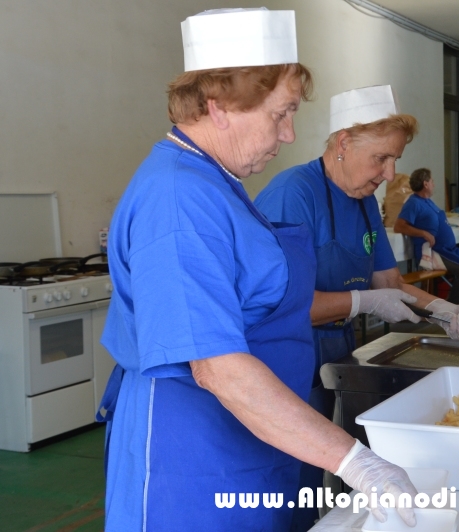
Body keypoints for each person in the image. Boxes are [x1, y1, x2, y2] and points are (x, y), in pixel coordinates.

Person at [98, 10, 418, 531]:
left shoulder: (217, 183)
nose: (289, 135)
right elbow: (217, 367)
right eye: (280, 114)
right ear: (219, 106)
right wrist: (356, 462)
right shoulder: (178, 197)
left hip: (252, 434)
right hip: (195, 453)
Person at [254, 85, 459, 530]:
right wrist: (362, 301)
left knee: (316, 478)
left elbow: (390, 283)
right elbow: (279, 307)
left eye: (395, 159)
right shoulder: (293, 194)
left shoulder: (363, 205)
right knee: (279, 483)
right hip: (284, 361)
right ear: (343, 143)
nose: (390, 172)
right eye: (381, 158)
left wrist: (442, 307)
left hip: (333, 357)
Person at [394, 168, 459, 306]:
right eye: (432, 181)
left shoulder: (429, 201)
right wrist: (423, 233)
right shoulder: (413, 203)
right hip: (435, 252)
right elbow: (399, 226)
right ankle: (453, 309)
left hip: (448, 249)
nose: (434, 184)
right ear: (425, 184)